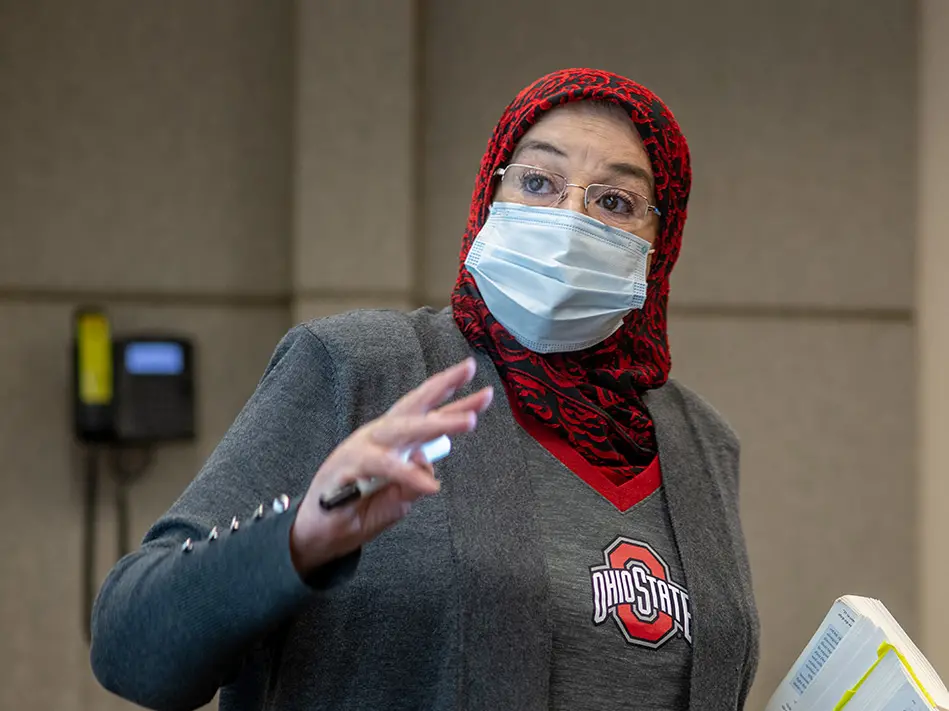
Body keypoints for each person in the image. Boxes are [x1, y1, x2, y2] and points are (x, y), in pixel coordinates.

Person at [90, 68, 759, 711]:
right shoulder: (362, 368)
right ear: (487, 198)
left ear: (659, 240)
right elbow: (131, 644)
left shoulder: (699, 442)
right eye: (537, 181)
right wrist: (299, 539)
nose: (570, 221)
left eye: (614, 201)